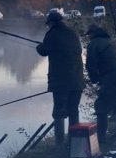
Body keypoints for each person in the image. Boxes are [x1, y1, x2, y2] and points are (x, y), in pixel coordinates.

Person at [35, 11, 85, 149]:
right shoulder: (73, 33)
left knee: (59, 112)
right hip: (77, 80)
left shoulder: (52, 35)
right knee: (73, 111)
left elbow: (43, 51)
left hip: (61, 82)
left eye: (48, 24)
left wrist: (39, 46)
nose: (48, 27)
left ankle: (59, 144)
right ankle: (74, 142)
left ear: (52, 23)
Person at [84, 24, 116, 144]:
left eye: (89, 35)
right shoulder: (113, 41)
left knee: (101, 106)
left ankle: (101, 138)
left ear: (92, 34)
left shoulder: (94, 44)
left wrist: (95, 80)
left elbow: (91, 65)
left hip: (114, 78)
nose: (88, 37)